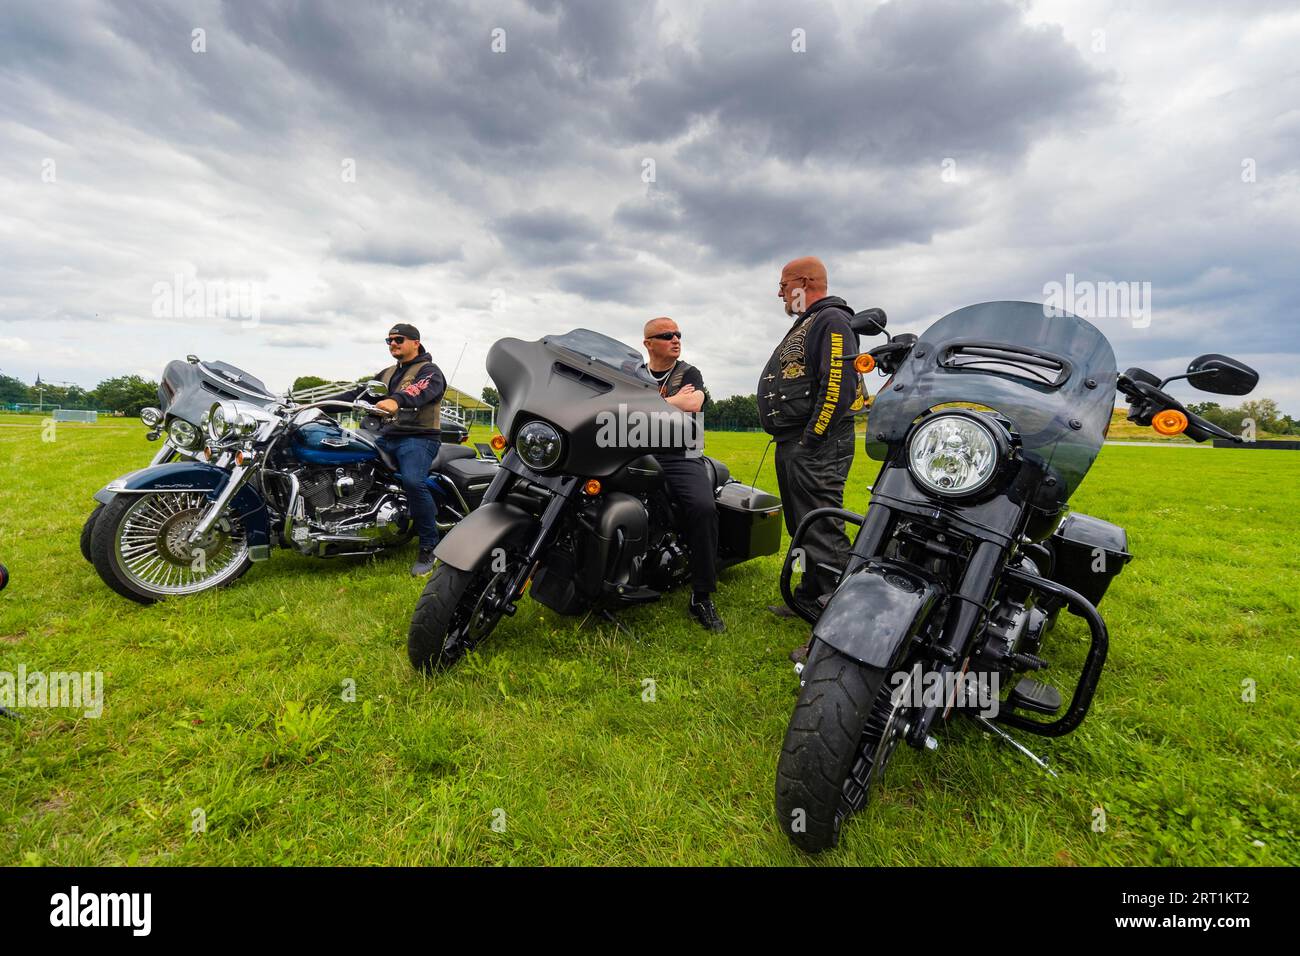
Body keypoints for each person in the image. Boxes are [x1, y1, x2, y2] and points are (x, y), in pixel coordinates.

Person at [756, 257, 865, 661]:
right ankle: (807, 596)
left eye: (783, 284)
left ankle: (836, 628)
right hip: (795, 443)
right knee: (802, 524)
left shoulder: (832, 319)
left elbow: (836, 383)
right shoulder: (810, 321)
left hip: (815, 445)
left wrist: (811, 437)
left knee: (822, 527)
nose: (780, 292)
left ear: (803, 283)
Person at [336, 322, 447, 577]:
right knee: (352, 462)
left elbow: (418, 391)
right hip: (387, 436)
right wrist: (316, 406)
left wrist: (396, 400)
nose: (393, 344)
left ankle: (429, 546)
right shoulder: (386, 374)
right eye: (389, 341)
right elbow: (358, 393)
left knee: (412, 481)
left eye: (399, 339)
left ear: (415, 342)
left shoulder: (429, 370)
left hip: (419, 438)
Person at [641, 317, 726, 632]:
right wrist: (665, 403)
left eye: (678, 334)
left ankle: (701, 595)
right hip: (638, 449)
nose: (675, 339)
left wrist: (650, 404)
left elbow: (692, 402)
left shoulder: (689, 373)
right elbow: (620, 408)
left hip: (681, 453)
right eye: (666, 335)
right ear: (648, 343)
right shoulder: (635, 373)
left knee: (703, 509)